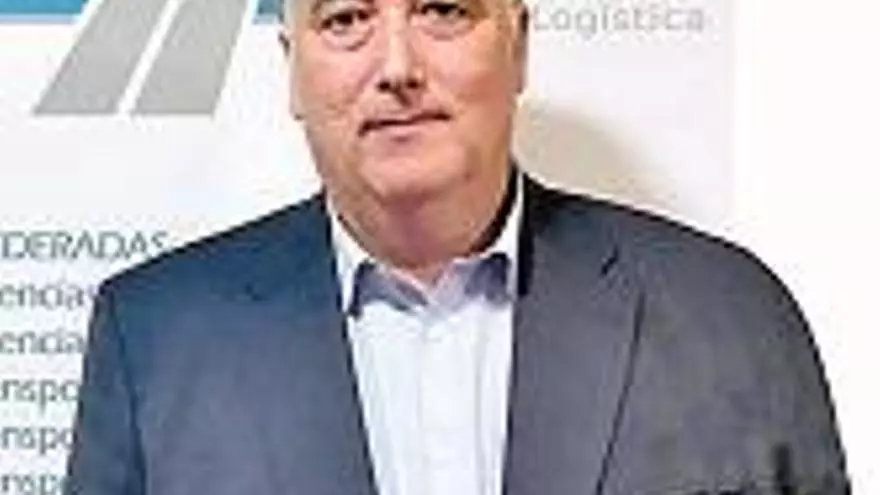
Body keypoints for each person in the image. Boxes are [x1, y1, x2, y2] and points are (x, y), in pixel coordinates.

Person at [63, 0, 850, 493]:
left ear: (520, 46)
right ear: (292, 71)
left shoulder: (727, 313)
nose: (397, 67)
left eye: (442, 11)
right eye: (346, 20)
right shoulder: (156, 339)